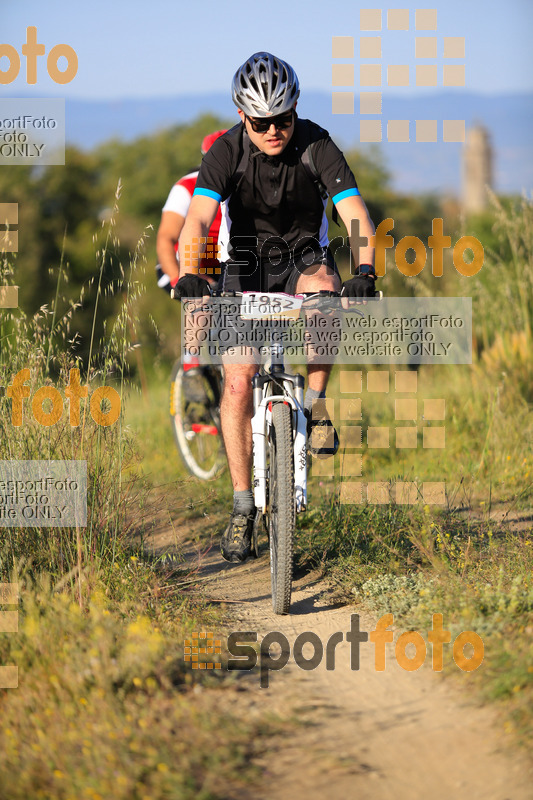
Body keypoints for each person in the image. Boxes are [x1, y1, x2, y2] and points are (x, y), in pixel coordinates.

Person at [174, 52, 377, 563]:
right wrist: (193, 273)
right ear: (243, 115)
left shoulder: (317, 145)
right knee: (239, 380)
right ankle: (243, 504)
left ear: (295, 111)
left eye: (282, 119)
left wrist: (367, 270)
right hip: (244, 263)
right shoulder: (225, 151)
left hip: (304, 254)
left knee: (325, 295)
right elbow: (197, 221)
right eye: (261, 121)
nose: (273, 130)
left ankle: (315, 402)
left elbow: (354, 213)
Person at [156, 129, 227, 294]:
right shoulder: (186, 186)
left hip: (223, 263)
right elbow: (166, 238)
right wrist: (181, 280)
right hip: (184, 264)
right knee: (202, 309)